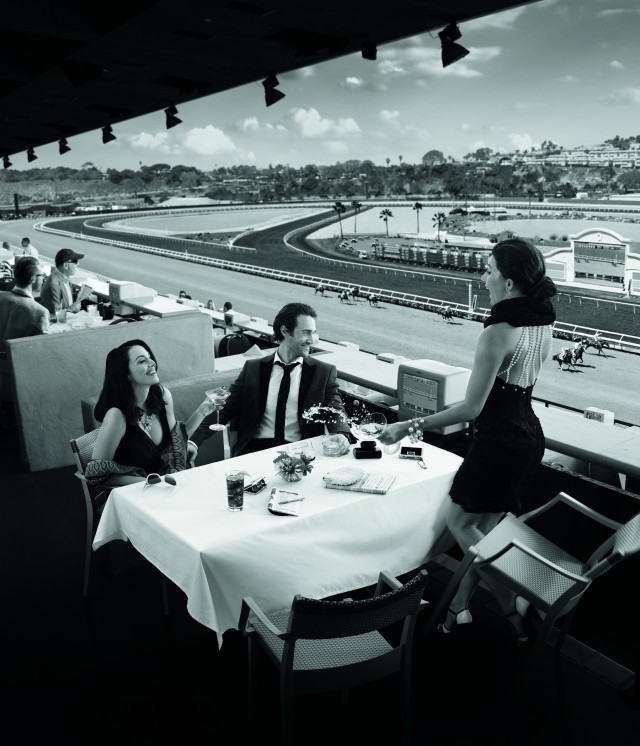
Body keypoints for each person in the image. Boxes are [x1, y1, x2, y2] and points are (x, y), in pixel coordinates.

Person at [379, 238, 557, 641]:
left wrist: (406, 426)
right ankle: (457, 611)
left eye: (488, 270)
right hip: (529, 436)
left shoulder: (497, 331)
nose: (483, 277)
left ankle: (514, 604)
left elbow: (471, 408)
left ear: (508, 282)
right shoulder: (543, 318)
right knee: (484, 534)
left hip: (499, 443)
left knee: (459, 523)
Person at [192, 302, 352, 457]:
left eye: (313, 332)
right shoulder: (252, 369)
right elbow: (224, 409)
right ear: (285, 331)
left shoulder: (323, 372)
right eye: (306, 333)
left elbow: (335, 409)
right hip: (254, 453)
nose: (312, 339)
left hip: (303, 454)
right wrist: (192, 442)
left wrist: (341, 433)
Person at [85, 339, 216, 486]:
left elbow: (177, 440)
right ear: (126, 374)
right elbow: (96, 473)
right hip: (133, 495)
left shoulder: (162, 396)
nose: (152, 362)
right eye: (142, 361)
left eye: (149, 357)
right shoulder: (116, 416)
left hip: (165, 487)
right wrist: (150, 482)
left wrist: (201, 412)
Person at [0, 256, 49, 352]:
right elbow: (43, 348)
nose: (43, 279)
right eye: (42, 275)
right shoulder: (40, 312)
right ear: (33, 279)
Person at [39, 248, 84, 314]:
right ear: (66, 265)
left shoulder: (65, 276)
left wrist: (81, 296)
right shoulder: (54, 284)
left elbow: (66, 302)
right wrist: (72, 309)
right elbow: (56, 314)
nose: (78, 264)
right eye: (75, 261)